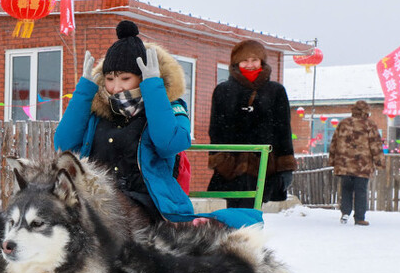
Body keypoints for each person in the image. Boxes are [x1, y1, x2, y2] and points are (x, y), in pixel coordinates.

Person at [54, 20, 195, 225]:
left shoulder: (169, 106)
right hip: (97, 201)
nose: (115, 87)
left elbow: (169, 144)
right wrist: (84, 92)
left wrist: (153, 87)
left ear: (142, 76)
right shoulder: (100, 110)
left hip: (147, 204)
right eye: (109, 78)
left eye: (125, 78)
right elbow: (64, 145)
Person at [207, 39, 296, 208]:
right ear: (236, 63)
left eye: (254, 60)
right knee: (231, 214)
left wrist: (285, 166)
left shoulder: (276, 91)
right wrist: (219, 160)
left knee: (253, 212)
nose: (250, 64)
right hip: (230, 166)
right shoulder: (223, 90)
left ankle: (250, 234)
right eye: (244, 60)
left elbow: (283, 130)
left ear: (261, 62)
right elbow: (215, 129)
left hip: (264, 164)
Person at [328, 100, 385, 225]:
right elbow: (375, 145)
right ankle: (359, 217)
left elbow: (334, 143)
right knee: (361, 191)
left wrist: (332, 160)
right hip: (362, 165)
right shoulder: (369, 125)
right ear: (366, 111)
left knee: (346, 189)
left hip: (344, 164)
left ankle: (345, 213)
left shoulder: (343, 124)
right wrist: (379, 162)